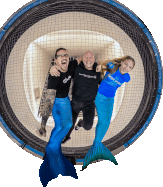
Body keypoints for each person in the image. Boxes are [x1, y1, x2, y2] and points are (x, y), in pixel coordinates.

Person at [82, 55, 135, 169]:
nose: (127, 68)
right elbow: (101, 62)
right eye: (126, 64)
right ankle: (96, 144)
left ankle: (96, 143)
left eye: (130, 67)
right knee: (103, 121)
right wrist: (99, 67)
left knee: (106, 121)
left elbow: (122, 80)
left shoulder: (127, 78)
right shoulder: (112, 66)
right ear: (121, 62)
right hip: (100, 96)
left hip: (110, 98)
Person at [39, 48, 79, 187]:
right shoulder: (54, 75)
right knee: (63, 126)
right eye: (60, 56)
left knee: (64, 126)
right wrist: (43, 124)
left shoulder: (72, 64)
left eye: (65, 55)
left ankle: (54, 145)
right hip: (57, 102)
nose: (64, 57)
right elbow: (48, 101)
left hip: (65, 100)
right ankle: (52, 148)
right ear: (55, 61)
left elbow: (80, 59)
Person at [49, 51, 101, 144]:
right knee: (69, 124)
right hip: (75, 102)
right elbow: (64, 68)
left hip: (89, 104)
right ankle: (67, 136)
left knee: (88, 127)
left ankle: (80, 123)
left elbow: (108, 73)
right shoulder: (76, 67)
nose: (88, 60)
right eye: (86, 58)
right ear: (82, 58)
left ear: (94, 59)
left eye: (90, 58)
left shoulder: (98, 70)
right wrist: (53, 67)